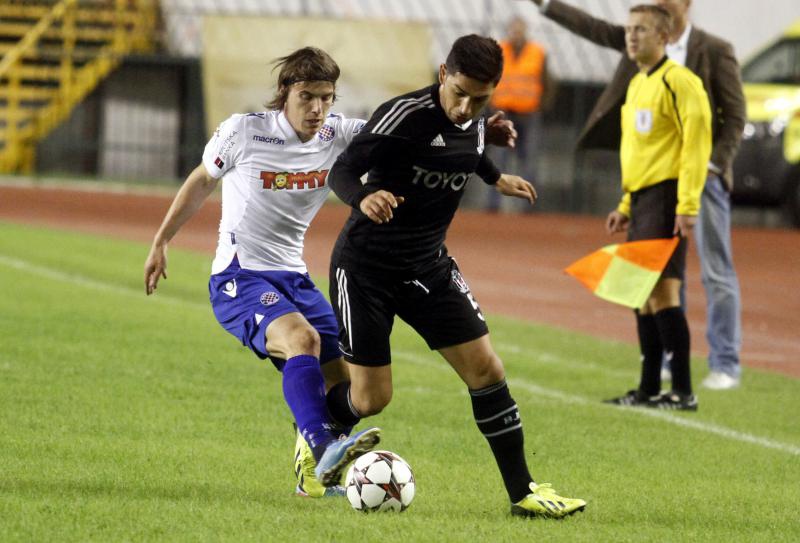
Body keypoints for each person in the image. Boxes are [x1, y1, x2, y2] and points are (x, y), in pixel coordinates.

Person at [324, 34, 586, 518]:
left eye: (480, 98)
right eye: (459, 92)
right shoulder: (403, 115)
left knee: (487, 369)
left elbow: (470, 146)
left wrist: (494, 176)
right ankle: (316, 433)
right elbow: (342, 168)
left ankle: (522, 493)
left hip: (428, 267)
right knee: (372, 397)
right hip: (365, 270)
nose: (466, 107)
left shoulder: (479, 119)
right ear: (443, 74)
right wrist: (361, 197)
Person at [143, 47, 382, 499]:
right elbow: (201, 180)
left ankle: (310, 460)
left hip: (294, 277)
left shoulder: (337, 134)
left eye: (327, 98)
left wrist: (480, 132)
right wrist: (162, 240)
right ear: (285, 92)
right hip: (240, 277)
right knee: (303, 341)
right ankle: (324, 445)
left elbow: (401, 131)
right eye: (307, 97)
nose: (317, 109)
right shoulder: (245, 132)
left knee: (354, 386)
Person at [528, 0, 745, 390]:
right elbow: (591, 26)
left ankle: (723, 364)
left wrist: (712, 169)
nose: (632, 34)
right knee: (649, 287)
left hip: (700, 177)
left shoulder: (708, 53)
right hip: (649, 187)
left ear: (684, 6)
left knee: (713, 272)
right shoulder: (640, 59)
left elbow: (733, 115)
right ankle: (657, 375)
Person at [602, 5, 711, 410]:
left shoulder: (680, 83)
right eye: (629, 29)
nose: (632, 36)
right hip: (644, 200)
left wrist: (687, 205)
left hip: (668, 199)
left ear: (664, 37)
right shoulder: (636, 84)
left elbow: (695, 147)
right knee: (641, 295)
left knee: (664, 294)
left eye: (642, 30)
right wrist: (627, 203)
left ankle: (682, 391)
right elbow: (640, 154)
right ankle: (648, 389)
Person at [487, 15, 553, 212]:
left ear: (525, 31)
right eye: (514, 30)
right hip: (503, 114)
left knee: (530, 160)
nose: (517, 34)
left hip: (529, 114)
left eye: (520, 29)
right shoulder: (498, 51)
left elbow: (548, 83)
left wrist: (541, 106)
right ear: (509, 31)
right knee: (498, 159)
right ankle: (493, 205)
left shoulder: (537, 53)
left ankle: (528, 205)